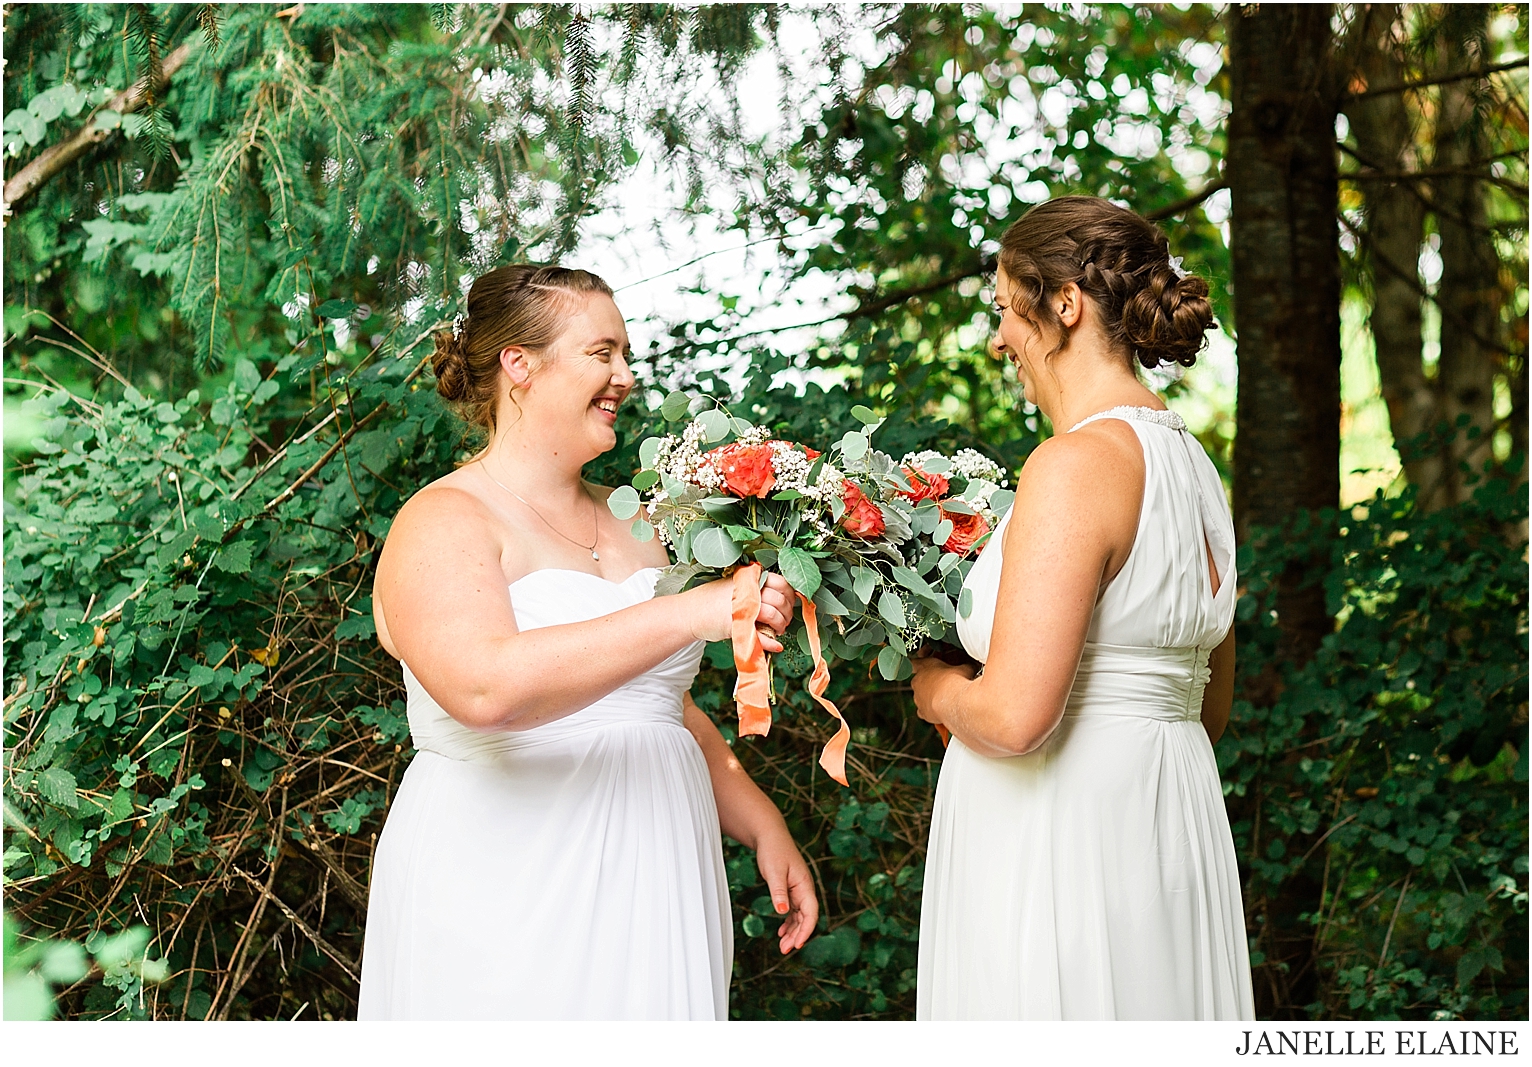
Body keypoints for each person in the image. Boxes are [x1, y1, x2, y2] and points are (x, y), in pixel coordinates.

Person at [357, 264, 817, 1020]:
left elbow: (657, 703)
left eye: (626, 355)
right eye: (602, 353)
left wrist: (762, 821)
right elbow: (484, 688)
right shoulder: (442, 521)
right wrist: (691, 614)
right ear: (520, 365)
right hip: (506, 881)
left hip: (658, 879)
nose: (626, 376)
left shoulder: (646, 523)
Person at [910, 196, 1254, 1020]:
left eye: (1004, 310)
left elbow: (1019, 716)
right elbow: (1208, 708)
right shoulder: (1196, 469)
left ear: (1062, 305)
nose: (1000, 339)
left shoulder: (1073, 465)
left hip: (1057, 845)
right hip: (1168, 825)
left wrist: (935, 689)